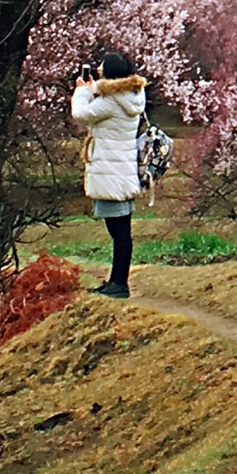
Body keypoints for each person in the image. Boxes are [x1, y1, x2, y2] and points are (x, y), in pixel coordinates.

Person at [72, 50, 149, 299]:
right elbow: (105, 97)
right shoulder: (132, 96)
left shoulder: (109, 102)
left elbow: (81, 114)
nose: (99, 71)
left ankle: (119, 284)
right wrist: (96, 88)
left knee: (118, 233)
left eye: (103, 69)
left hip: (110, 173)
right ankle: (117, 281)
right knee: (122, 231)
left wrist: (82, 90)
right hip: (122, 170)